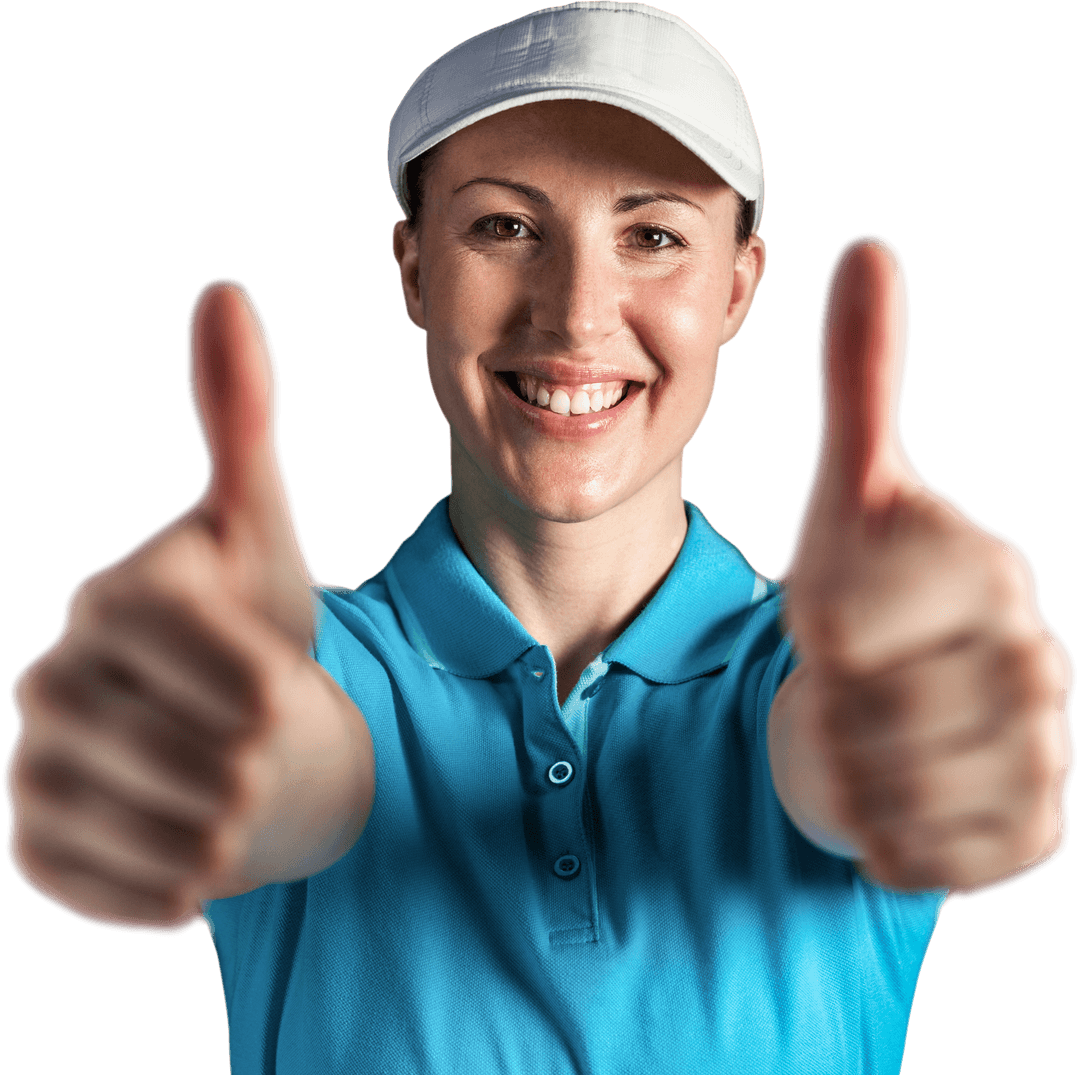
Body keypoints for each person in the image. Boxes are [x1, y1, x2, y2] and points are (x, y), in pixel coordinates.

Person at [5, 3, 1073, 1072]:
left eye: (653, 236)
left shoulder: (837, 674)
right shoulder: (278, 668)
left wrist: (930, 734)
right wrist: (213, 766)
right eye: (505, 227)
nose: (575, 315)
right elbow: (280, 758)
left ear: (738, 285)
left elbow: (843, 754)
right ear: (415, 267)